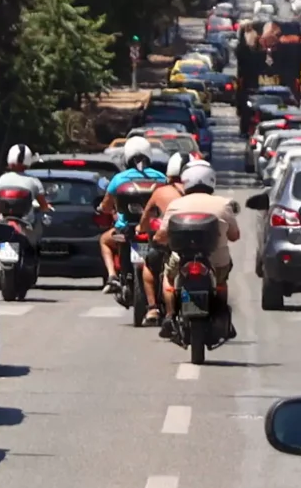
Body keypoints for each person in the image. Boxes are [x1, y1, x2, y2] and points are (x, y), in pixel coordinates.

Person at [153, 161, 239, 339]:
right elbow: (234, 235)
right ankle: (222, 314)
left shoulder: (176, 204)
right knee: (221, 281)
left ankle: (169, 315)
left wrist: (157, 240)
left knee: (168, 278)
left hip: (181, 259)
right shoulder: (223, 204)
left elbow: (161, 235)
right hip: (217, 259)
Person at [98, 136, 167, 293]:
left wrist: (103, 208)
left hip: (125, 230)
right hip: (153, 229)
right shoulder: (161, 177)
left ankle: (112, 276)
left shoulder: (119, 178)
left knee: (104, 241)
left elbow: (106, 206)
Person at [136, 151, 189, 324]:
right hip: (196, 244)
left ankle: (152, 308)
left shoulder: (161, 192)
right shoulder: (199, 192)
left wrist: (140, 228)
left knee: (150, 265)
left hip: (169, 243)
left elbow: (145, 219)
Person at [0, 145, 52, 247]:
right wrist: (46, 207)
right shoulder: (34, 181)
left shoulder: (2, 179)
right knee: (36, 241)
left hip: (3, 224)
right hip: (26, 225)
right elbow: (43, 206)